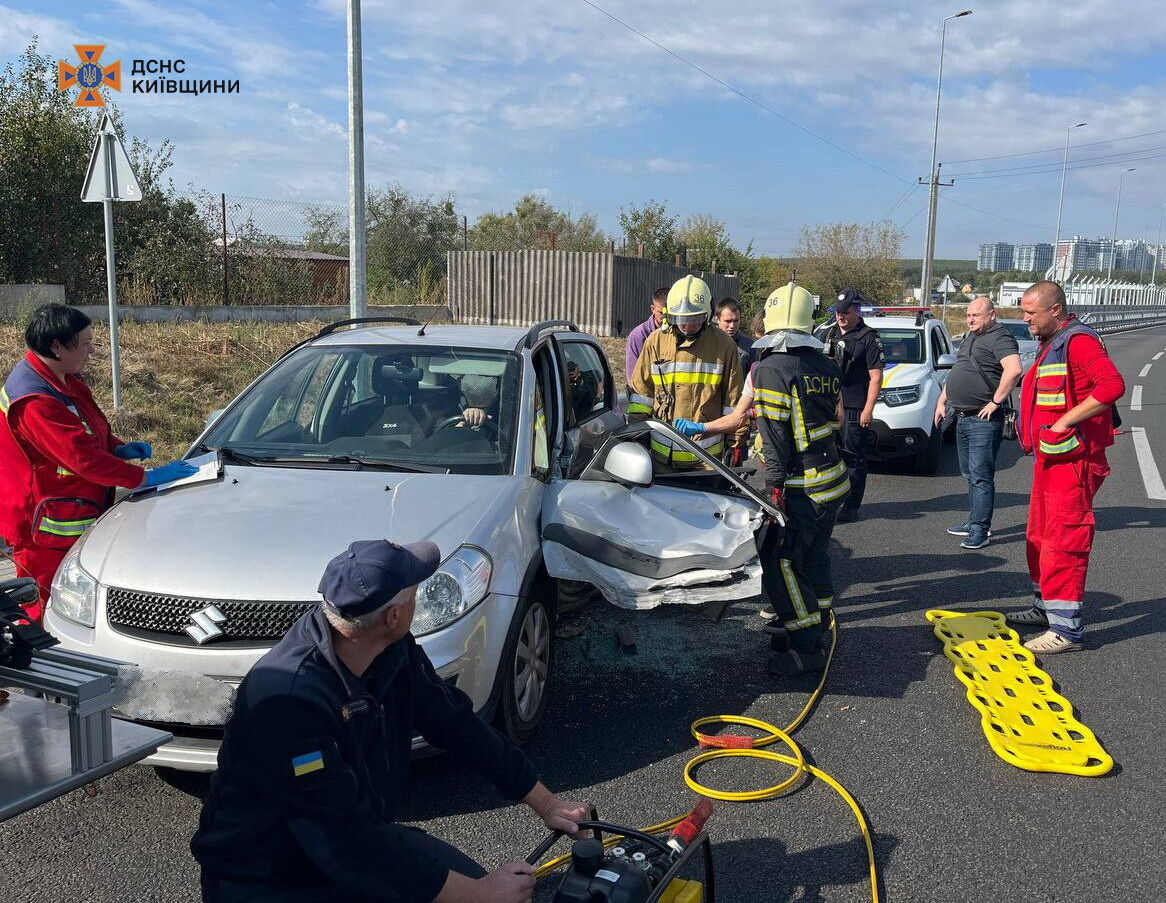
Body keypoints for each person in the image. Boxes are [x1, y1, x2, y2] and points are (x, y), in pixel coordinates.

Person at [192, 538, 588, 903]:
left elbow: (454, 723)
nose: (421, 597)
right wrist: (479, 893)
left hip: (353, 839)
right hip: (269, 878)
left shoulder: (392, 650)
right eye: (418, 592)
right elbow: (347, 842)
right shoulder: (289, 702)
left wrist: (548, 804)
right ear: (395, 616)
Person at [673, 283, 848, 674]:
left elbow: (775, 437)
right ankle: (814, 624)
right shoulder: (824, 365)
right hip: (833, 478)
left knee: (781, 560)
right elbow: (837, 419)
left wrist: (773, 488)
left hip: (803, 484)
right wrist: (701, 426)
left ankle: (805, 646)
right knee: (814, 554)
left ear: (769, 322)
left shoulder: (771, 369)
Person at [0, 304, 196, 619]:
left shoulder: (61, 378)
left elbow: (85, 430)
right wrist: (142, 478)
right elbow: (83, 459)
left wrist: (117, 448)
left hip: (69, 506)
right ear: (56, 346)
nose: (92, 350)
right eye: (86, 343)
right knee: (45, 606)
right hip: (42, 523)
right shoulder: (35, 400)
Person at [1006, 281, 1125, 654]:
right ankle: (1046, 608)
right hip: (1052, 458)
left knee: (1064, 539)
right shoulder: (1053, 342)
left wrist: (1062, 422)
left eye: (1030, 313)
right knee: (1039, 536)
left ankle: (1067, 630)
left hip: (1073, 461)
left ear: (1055, 310)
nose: (1025, 319)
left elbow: (1111, 386)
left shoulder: (1079, 341)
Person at [627, 276, 745, 468]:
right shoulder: (655, 342)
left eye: (695, 319)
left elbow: (734, 403)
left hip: (707, 462)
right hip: (662, 460)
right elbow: (642, 397)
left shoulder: (723, 345)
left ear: (707, 316)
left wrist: (736, 444)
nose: (688, 326)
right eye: (682, 319)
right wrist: (636, 437)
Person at [933, 297, 1021, 550]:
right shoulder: (971, 337)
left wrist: (995, 402)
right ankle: (974, 520)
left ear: (991, 315)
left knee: (981, 476)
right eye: (968, 315)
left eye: (976, 315)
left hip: (983, 419)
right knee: (970, 474)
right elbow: (959, 370)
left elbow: (1013, 370)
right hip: (961, 416)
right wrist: (942, 400)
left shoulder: (1000, 337)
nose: (970, 319)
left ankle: (980, 529)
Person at [820, 289, 884, 522]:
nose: (841, 317)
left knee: (853, 458)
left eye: (845, 312)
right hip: (830, 406)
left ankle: (851, 506)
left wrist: (869, 409)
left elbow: (876, 377)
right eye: (837, 313)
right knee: (828, 455)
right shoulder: (829, 333)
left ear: (856, 311)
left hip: (855, 406)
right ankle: (830, 498)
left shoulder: (868, 337)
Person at [624, 287, 668, 386]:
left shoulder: (678, 334)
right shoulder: (638, 336)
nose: (665, 317)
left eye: (668, 313)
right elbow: (633, 378)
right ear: (653, 309)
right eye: (661, 313)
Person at [715, 298, 755, 376]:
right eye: (728, 321)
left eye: (736, 321)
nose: (732, 326)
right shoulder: (707, 342)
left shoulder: (749, 346)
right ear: (717, 318)